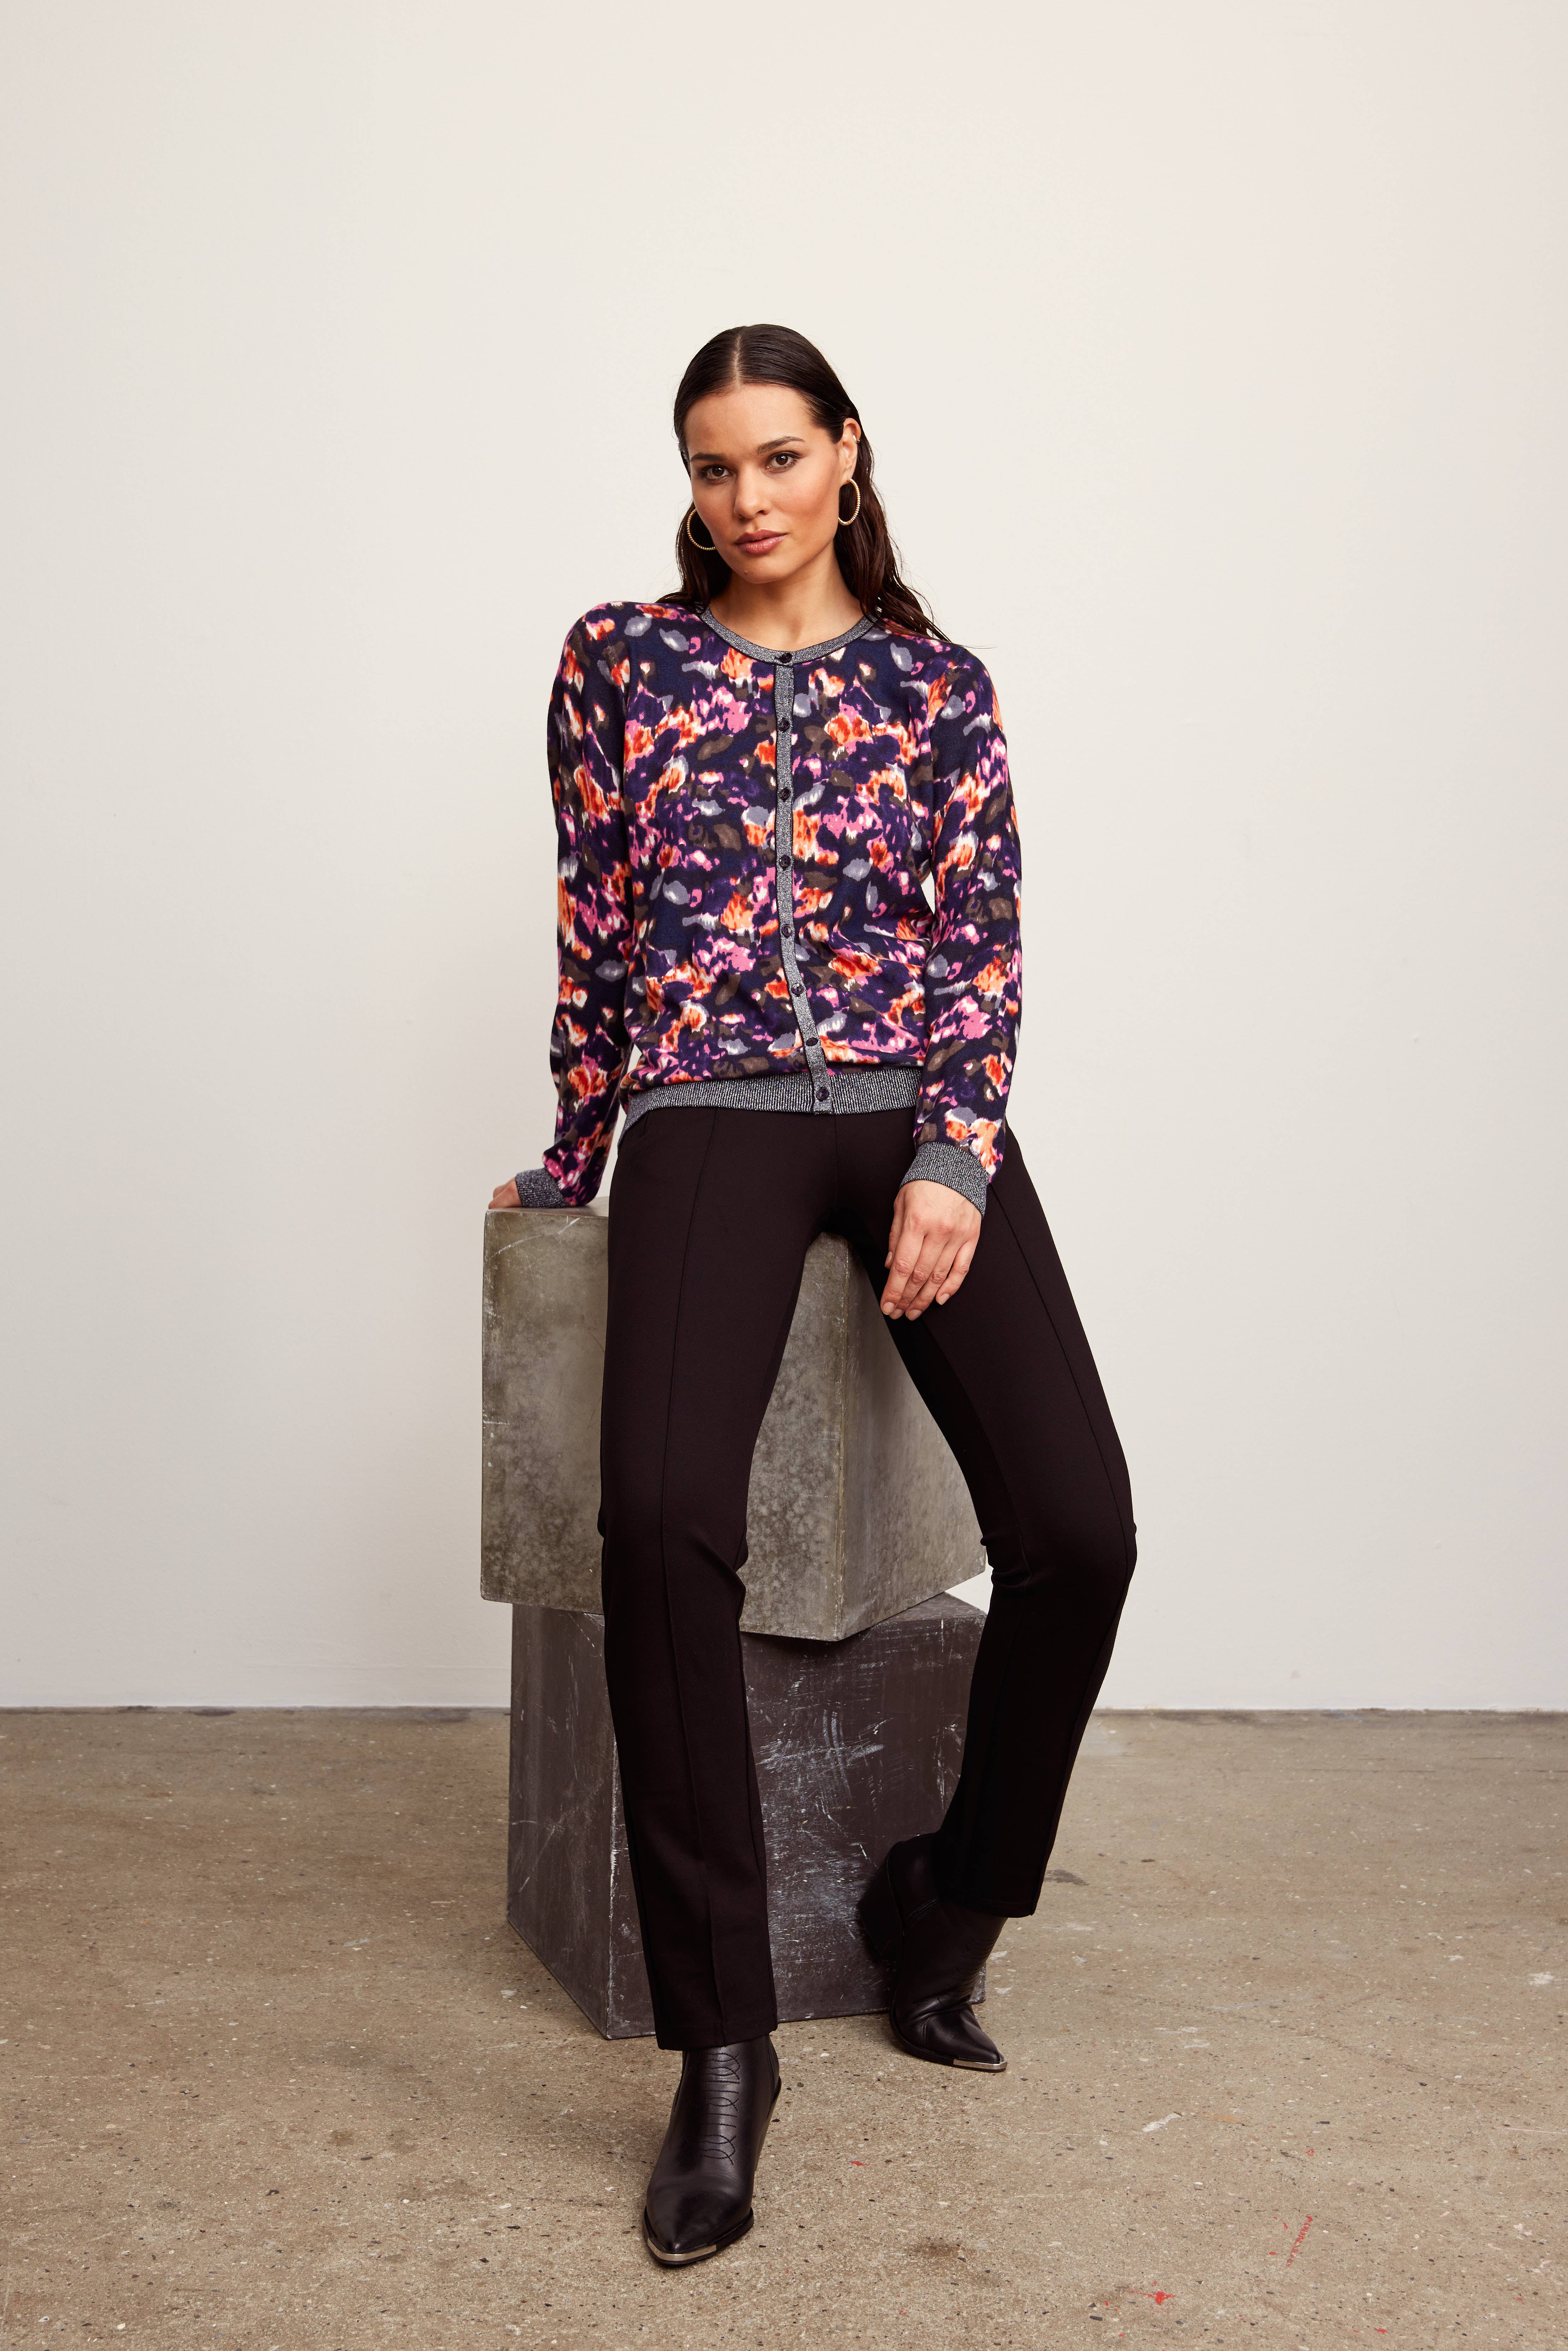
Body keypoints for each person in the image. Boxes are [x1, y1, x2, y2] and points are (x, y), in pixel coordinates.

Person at [490, 324, 1136, 2267]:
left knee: (1082, 1528)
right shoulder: (621, 663)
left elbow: (981, 944)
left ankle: (951, 1905)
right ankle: (725, 2046)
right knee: (660, 1519)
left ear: (848, 453)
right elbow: (599, 927)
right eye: (714, 467)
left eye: (779, 456)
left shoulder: (939, 687)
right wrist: (578, 1146)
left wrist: (959, 1151)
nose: (749, 497)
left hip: (906, 1106)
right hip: (709, 1110)